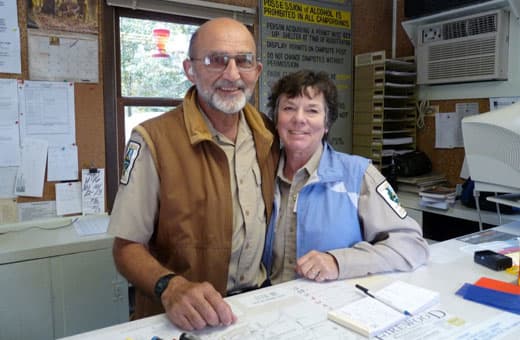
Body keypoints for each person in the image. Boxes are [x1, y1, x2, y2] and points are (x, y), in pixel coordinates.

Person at [108, 17, 279, 331]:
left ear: (257, 71)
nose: (232, 74)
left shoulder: (269, 134)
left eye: (243, 61)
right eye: (216, 60)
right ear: (190, 69)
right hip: (182, 320)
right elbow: (126, 248)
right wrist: (170, 287)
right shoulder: (152, 140)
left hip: (256, 309)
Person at [262, 70, 429, 285]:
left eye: (312, 110)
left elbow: (412, 245)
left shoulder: (359, 174)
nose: (299, 119)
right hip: (266, 305)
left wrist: (339, 262)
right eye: (289, 108)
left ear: (327, 123)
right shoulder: (260, 174)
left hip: (329, 309)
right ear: (276, 120)